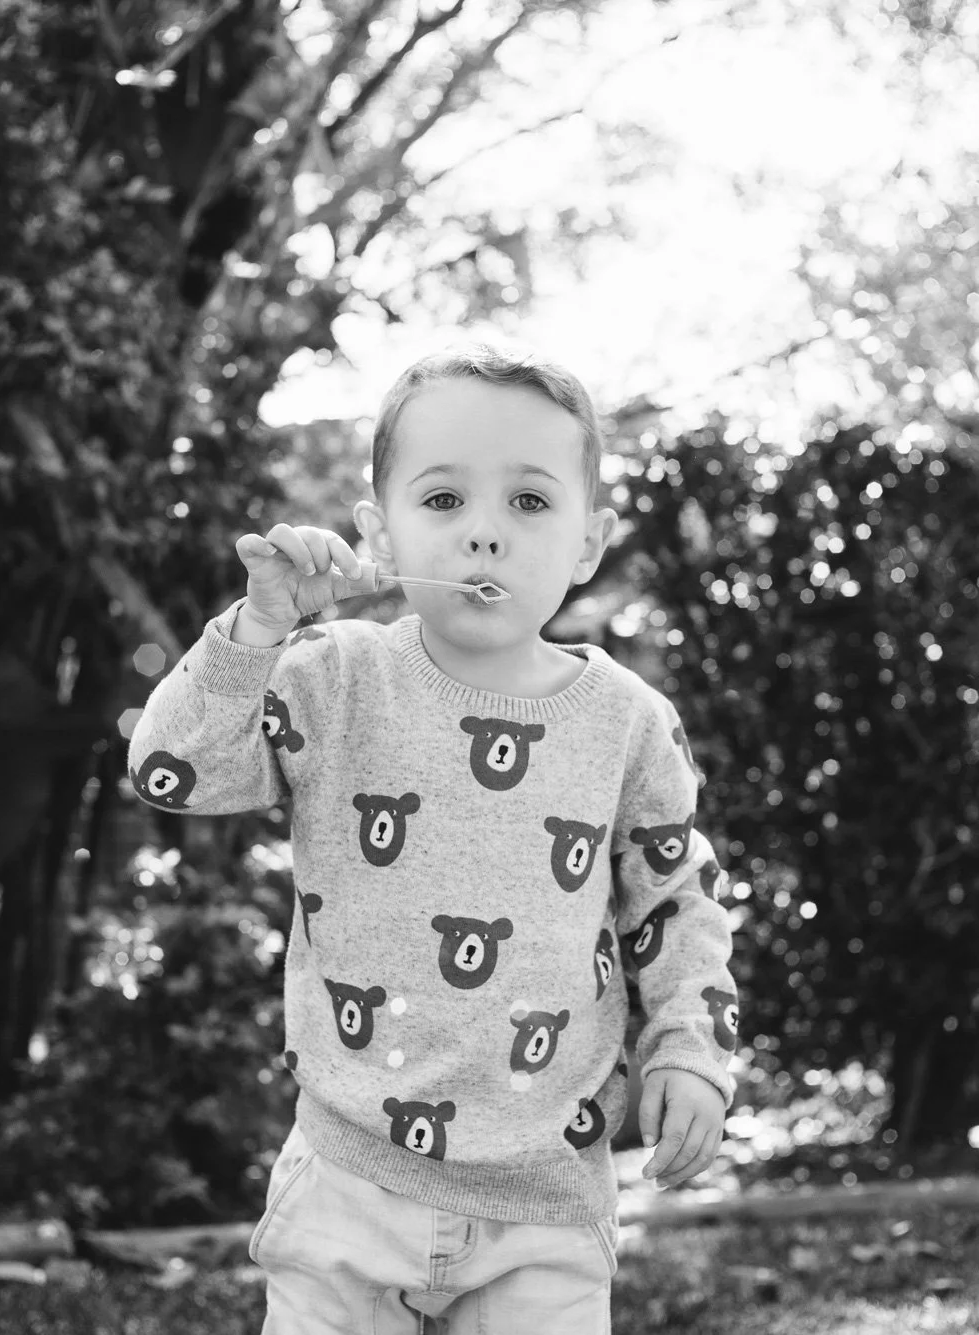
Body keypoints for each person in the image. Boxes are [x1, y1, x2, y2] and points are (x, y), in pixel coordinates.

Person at [127, 345, 740, 1334]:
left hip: (543, 1206)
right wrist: (256, 630)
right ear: (379, 531)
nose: (483, 536)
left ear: (589, 541)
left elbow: (674, 903)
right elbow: (171, 769)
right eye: (443, 500)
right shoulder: (331, 679)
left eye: (529, 504)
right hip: (346, 1184)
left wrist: (688, 1048)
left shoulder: (626, 723)